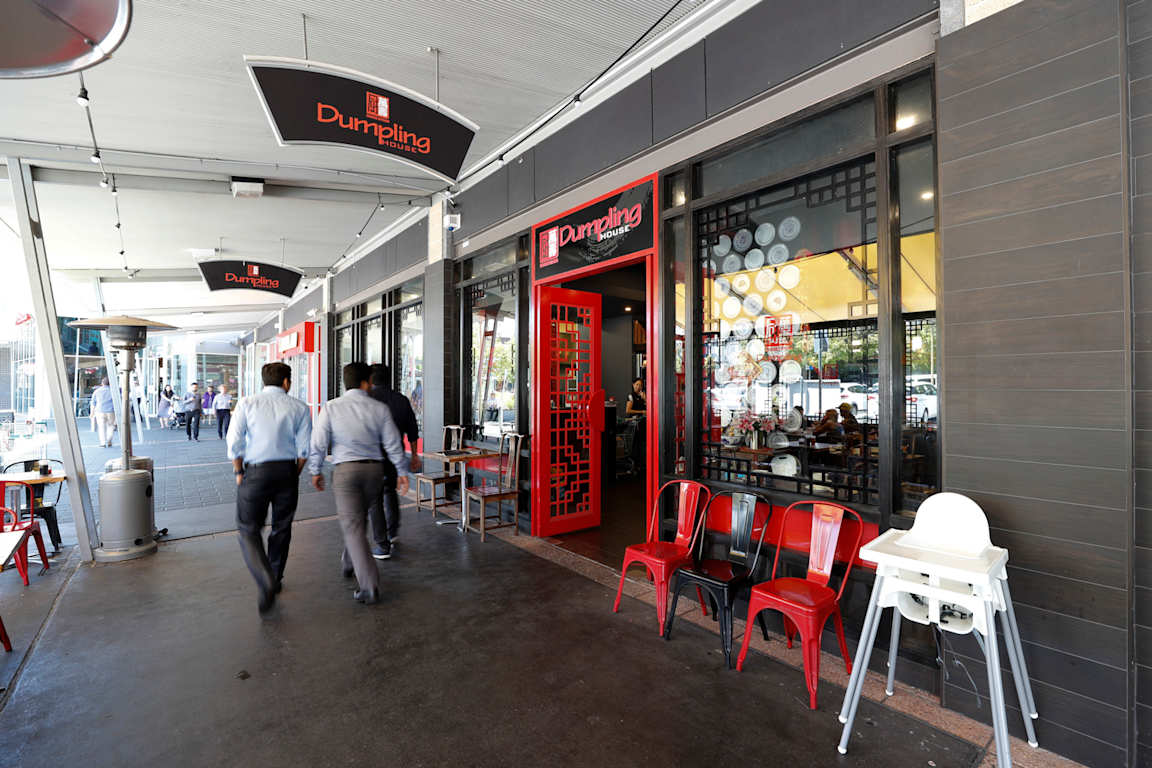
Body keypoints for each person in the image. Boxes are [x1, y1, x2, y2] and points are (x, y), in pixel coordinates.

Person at [309, 362, 410, 605]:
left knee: (353, 523)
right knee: (357, 520)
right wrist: (401, 470)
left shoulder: (331, 407)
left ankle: (369, 586)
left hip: (346, 473)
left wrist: (315, 470)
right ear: (366, 382)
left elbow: (319, 442)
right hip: (375, 472)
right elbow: (393, 443)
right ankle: (348, 561)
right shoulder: (379, 408)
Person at [226, 362, 311, 615]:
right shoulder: (299, 407)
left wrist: (239, 471)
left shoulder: (247, 403)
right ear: (286, 382)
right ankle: (275, 575)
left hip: (256, 472)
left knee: (248, 528)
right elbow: (304, 449)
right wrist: (292, 473)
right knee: (281, 527)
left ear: (264, 381)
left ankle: (266, 581)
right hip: (287, 470)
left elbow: (234, 441)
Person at [367, 364, 420, 557]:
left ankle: (381, 542)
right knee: (389, 491)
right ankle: (392, 532)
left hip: (370, 456)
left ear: (370, 380)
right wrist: (414, 455)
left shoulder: (366, 400)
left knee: (373, 498)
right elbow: (412, 430)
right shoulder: (401, 400)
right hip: (393, 455)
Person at [90, 377, 117, 447]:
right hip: (111, 411)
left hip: (100, 411)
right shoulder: (113, 391)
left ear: (102, 383)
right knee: (111, 426)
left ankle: (103, 443)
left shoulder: (97, 391)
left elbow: (93, 403)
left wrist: (92, 413)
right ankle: (109, 440)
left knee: (101, 427)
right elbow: (117, 402)